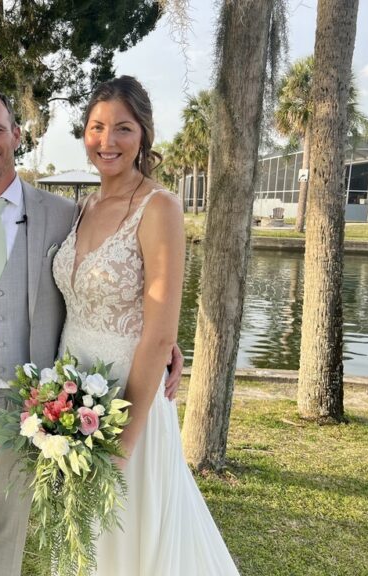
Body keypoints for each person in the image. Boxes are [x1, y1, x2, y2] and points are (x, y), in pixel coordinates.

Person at [0, 87, 184, 576]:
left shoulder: (62, 213)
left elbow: (111, 275)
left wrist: (162, 338)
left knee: (10, 532)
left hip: (37, 409)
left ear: (16, 134)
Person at [53, 75, 240, 575]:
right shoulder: (81, 207)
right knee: (79, 533)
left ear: (144, 136)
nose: (107, 141)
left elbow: (158, 331)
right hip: (70, 393)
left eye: (123, 128)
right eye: (96, 127)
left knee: (126, 529)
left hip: (126, 398)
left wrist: (122, 444)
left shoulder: (159, 207)